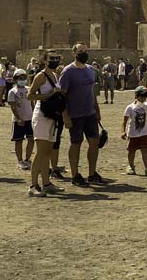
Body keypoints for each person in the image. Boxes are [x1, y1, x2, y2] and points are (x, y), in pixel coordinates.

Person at [59, 43, 104, 187]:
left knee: (94, 142)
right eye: (80, 51)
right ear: (74, 53)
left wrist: (97, 110)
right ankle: (75, 175)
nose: (83, 53)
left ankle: (92, 173)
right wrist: (65, 116)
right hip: (75, 114)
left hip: (89, 113)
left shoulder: (91, 70)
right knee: (76, 144)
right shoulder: (68, 71)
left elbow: (92, 92)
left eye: (85, 51)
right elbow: (62, 96)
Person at [27, 50, 65, 196]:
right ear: (44, 60)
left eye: (57, 58)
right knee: (40, 151)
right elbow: (30, 95)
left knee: (48, 151)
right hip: (42, 116)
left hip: (52, 117)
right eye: (52, 58)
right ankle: (33, 185)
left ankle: (46, 183)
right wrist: (49, 95)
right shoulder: (40, 76)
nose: (55, 60)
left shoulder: (55, 76)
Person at [122, 86, 147, 176]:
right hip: (133, 133)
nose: (143, 98)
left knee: (144, 149)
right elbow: (124, 120)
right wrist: (123, 131)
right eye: (142, 96)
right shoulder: (130, 107)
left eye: (145, 96)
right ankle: (131, 166)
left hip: (144, 133)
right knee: (131, 151)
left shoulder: (146, 105)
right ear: (136, 96)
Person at [8, 69, 35, 170]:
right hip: (18, 120)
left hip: (30, 118)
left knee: (31, 139)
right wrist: (18, 118)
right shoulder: (12, 92)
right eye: (20, 78)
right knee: (19, 140)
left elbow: (32, 103)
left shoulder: (29, 89)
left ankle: (27, 159)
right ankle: (20, 160)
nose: (23, 80)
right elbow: (13, 107)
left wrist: (34, 116)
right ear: (15, 79)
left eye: (24, 78)